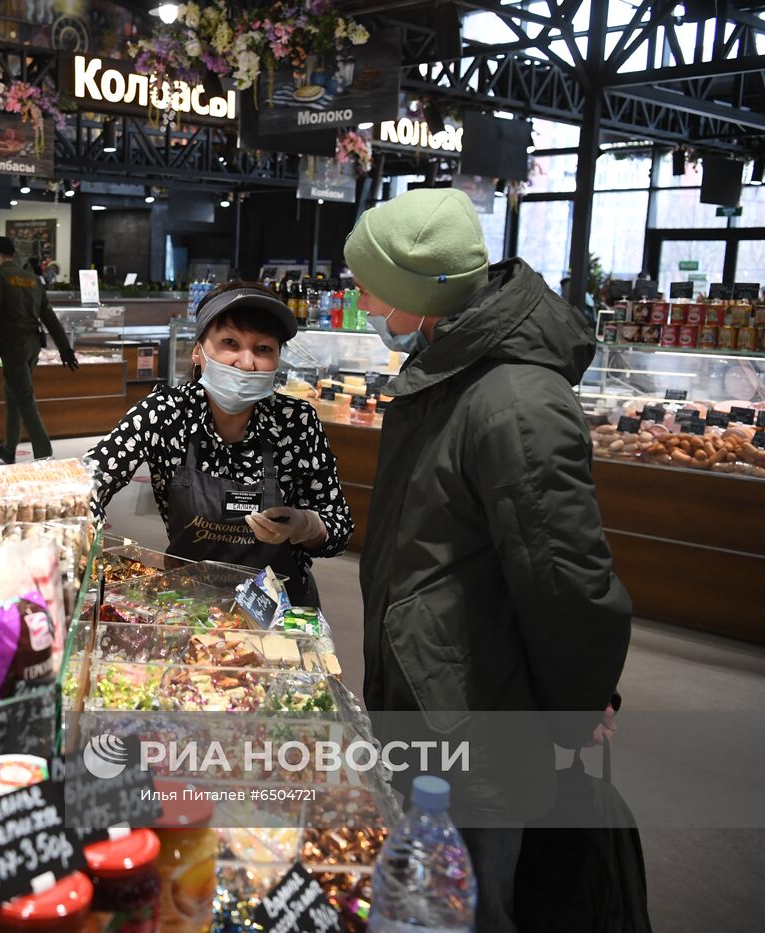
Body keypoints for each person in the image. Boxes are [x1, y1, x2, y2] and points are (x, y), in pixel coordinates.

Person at [345, 187, 632, 932]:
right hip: (440, 688)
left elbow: (566, 578)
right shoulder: (450, 369)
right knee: (436, 891)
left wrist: (577, 702)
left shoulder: (513, 401)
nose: (361, 298)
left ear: (419, 292)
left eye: (369, 284)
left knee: (471, 901)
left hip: (477, 717)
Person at [85, 283, 352, 606]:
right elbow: (88, 481)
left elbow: (338, 524)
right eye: (230, 343)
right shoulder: (166, 413)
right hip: (187, 604)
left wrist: (305, 525)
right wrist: (84, 530)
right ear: (198, 351)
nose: (246, 362)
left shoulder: (296, 421)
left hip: (278, 608)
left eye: (263, 349)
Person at [0, 236, 78, 463]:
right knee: (12, 391)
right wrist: (65, 348)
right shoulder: (33, 279)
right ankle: (8, 447)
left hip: (13, 345)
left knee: (24, 397)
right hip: (33, 345)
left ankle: (44, 453)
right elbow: (49, 317)